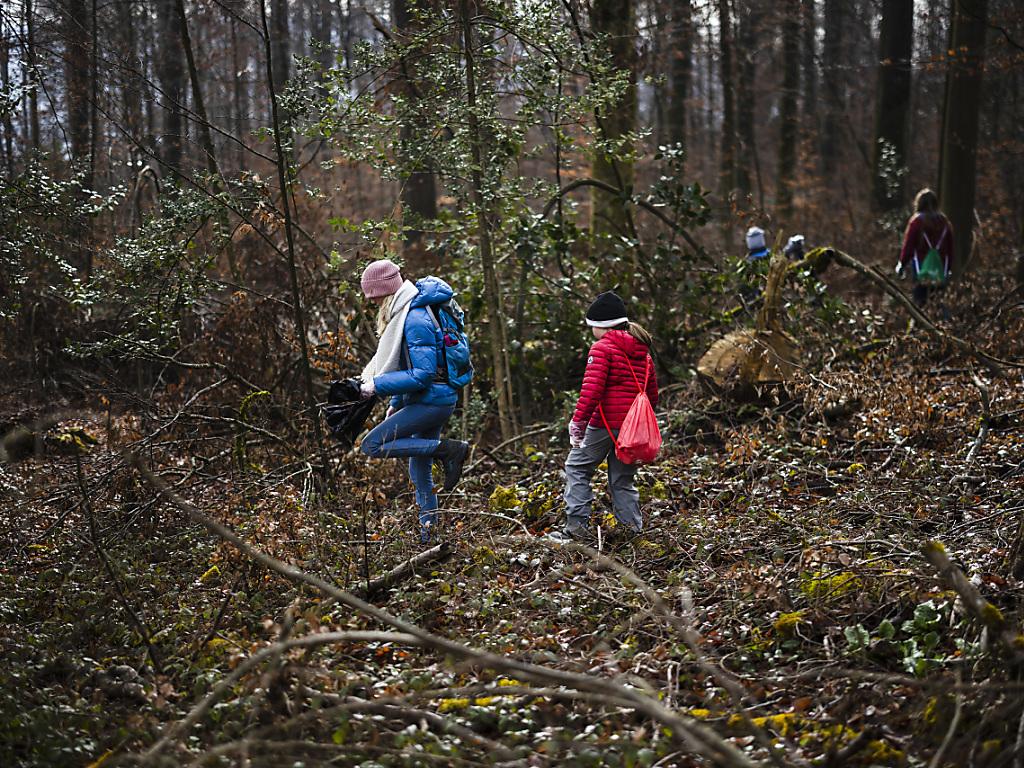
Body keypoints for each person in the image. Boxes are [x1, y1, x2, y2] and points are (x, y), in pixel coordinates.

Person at [357, 259, 470, 543]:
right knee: (418, 470)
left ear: (385, 291)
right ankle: (428, 537)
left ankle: (448, 450)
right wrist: (395, 403)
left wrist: (376, 386)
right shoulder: (405, 312)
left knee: (372, 445)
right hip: (432, 399)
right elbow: (402, 363)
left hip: (433, 401)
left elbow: (422, 374)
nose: (372, 303)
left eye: (374, 297)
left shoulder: (414, 319)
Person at [548, 291, 659, 544]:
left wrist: (578, 424)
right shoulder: (643, 353)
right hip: (633, 429)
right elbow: (652, 396)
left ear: (602, 325)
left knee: (577, 468)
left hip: (604, 425)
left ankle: (576, 530)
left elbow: (591, 392)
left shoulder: (601, 349)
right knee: (622, 479)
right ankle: (631, 532)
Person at [897, 188, 953, 307]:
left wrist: (901, 264)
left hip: (921, 267)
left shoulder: (916, 222)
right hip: (940, 268)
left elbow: (909, 247)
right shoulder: (944, 222)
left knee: (920, 301)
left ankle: (921, 317)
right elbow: (950, 249)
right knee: (939, 302)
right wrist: (948, 269)